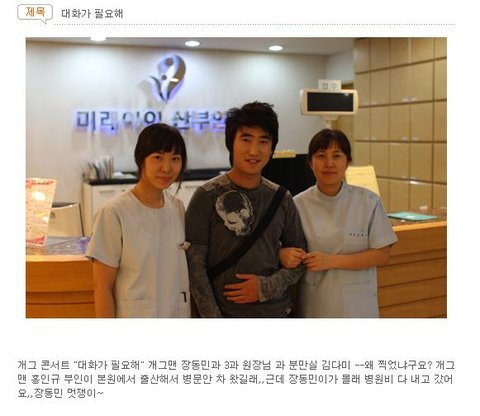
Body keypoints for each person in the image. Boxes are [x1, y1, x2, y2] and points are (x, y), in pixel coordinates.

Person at [185, 101, 306, 318]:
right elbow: (195, 268)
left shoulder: (281, 198)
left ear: (272, 148)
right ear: (231, 143)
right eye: (246, 139)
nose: (254, 150)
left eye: (263, 141)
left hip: (277, 314)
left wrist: (265, 287)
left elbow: (300, 259)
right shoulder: (207, 196)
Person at [279, 129, 397, 318]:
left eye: (336, 156)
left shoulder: (368, 201)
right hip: (316, 305)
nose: (329, 164)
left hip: (359, 306)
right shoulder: (297, 204)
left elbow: (382, 255)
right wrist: (284, 254)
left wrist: (332, 261)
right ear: (310, 163)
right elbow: (281, 248)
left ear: (347, 162)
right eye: (321, 156)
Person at [85, 123, 191, 318]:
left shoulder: (177, 208)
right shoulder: (113, 213)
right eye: (158, 157)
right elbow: (102, 288)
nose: (167, 168)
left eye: (175, 159)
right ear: (140, 159)